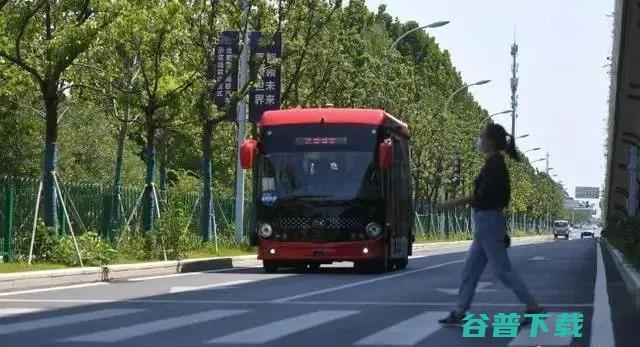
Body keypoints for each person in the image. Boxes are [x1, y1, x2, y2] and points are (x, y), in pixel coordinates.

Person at [438, 123, 545, 326]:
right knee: (470, 270)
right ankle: (460, 310)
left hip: (489, 221)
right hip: (485, 223)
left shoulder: (496, 165)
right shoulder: (492, 163)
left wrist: (452, 202)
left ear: (491, 141)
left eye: (482, 137)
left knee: (503, 271)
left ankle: (533, 307)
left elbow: (482, 195)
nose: (480, 140)